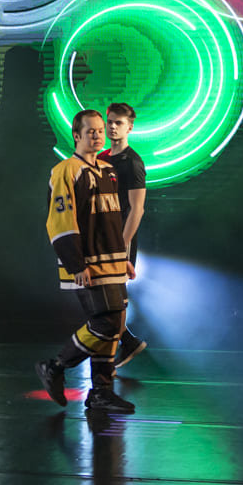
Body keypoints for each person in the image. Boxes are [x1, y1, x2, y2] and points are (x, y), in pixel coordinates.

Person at [35, 109, 137, 413]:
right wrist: (76, 264)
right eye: (90, 131)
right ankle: (55, 366)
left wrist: (124, 258)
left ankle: (101, 393)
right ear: (76, 136)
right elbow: (59, 221)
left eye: (99, 130)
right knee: (105, 323)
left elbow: (113, 221)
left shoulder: (108, 170)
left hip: (112, 262)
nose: (97, 135)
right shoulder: (65, 170)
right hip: (88, 263)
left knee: (115, 325)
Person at [98, 103, 147, 368]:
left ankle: (117, 349)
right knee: (101, 295)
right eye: (110, 122)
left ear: (130, 127)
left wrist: (122, 244)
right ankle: (127, 341)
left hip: (120, 238)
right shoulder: (102, 157)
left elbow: (137, 209)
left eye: (119, 122)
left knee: (115, 296)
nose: (113, 126)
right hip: (101, 236)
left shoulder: (133, 163)